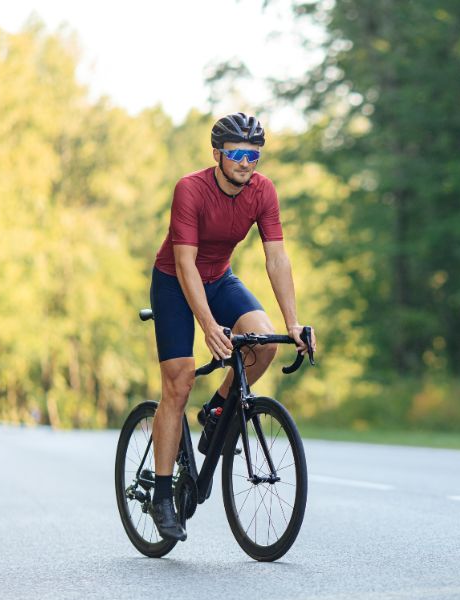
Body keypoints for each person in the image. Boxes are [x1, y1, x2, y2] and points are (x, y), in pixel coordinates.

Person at [147, 112, 317, 541]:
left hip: (219, 278)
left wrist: (293, 323)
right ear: (218, 154)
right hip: (174, 282)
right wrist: (207, 326)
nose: (246, 162)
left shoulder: (263, 191)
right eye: (237, 153)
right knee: (179, 381)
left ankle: (217, 409)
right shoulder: (191, 189)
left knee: (264, 341)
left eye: (254, 156)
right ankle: (163, 494)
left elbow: (276, 257)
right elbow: (184, 263)